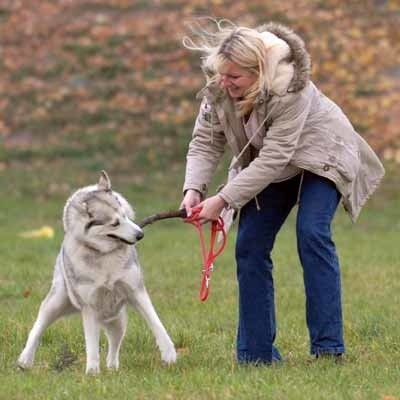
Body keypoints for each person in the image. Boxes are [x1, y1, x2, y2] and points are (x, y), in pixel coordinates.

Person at [180, 19, 385, 364]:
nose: (224, 83)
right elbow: (205, 142)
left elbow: (275, 157)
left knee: (312, 233)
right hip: (274, 164)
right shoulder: (219, 87)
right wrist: (194, 189)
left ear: (258, 71)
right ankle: (256, 355)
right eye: (222, 75)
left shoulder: (290, 88)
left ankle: (328, 348)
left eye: (235, 78)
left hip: (322, 154)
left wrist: (224, 198)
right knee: (249, 245)